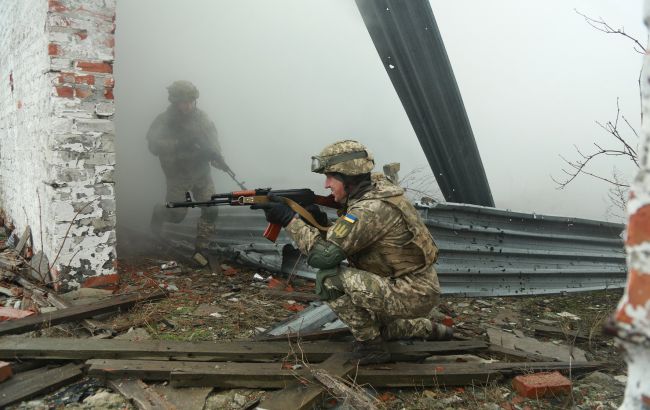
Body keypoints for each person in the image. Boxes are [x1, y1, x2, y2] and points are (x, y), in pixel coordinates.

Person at [253, 140, 452, 364]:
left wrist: (290, 221)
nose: (327, 184)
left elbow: (323, 257)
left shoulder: (369, 209)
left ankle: (372, 348)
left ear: (348, 176)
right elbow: (347, 237)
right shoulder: (376, 191)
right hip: (412, 285)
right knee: (382, 328)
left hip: (410, 291)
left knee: (328, 278)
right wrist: (317, 221)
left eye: (331, 177)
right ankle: (429, 329)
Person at [147, 80, 227, 260]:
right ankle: (158, 213)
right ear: (174, 102)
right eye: (184, 102)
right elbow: (153, 146)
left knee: (211, 209)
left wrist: (217, 157)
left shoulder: (202, 119)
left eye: (191, 101)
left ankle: (201, 249)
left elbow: (213, 142)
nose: (188, 105)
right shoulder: (164, 121)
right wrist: (180, 144)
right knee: (176, 215)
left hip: (201, 173)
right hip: (178, 175)